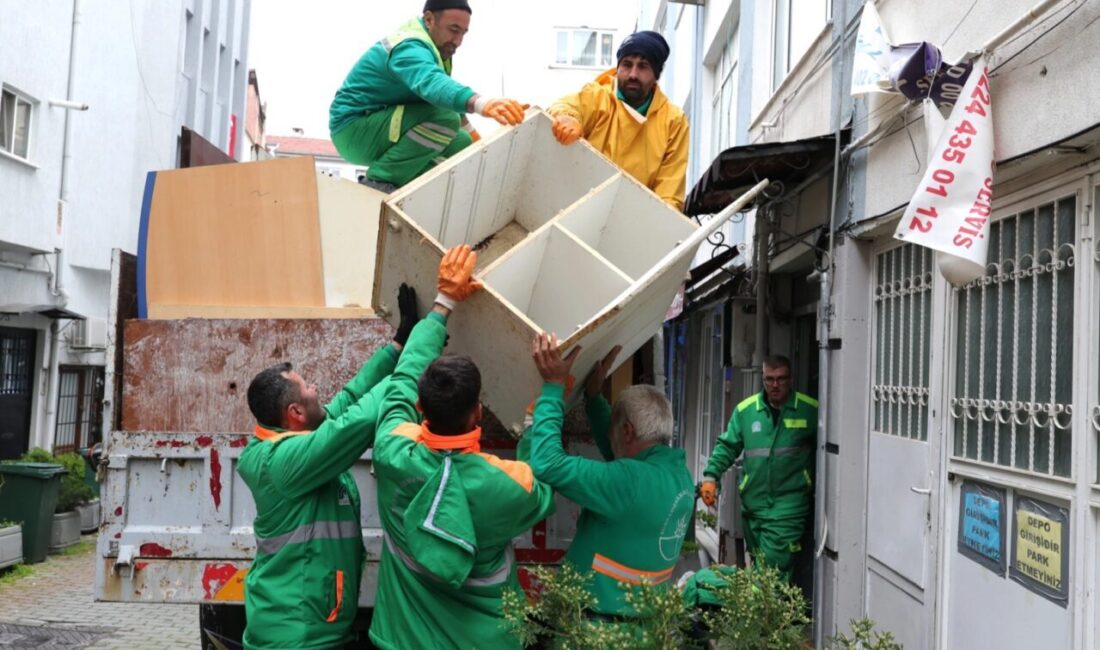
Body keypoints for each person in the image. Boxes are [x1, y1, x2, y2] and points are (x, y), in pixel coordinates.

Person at [369, 245, 557, 650]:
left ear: (421, 408)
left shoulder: (392, 452)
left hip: (403, 640)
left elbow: (401, 382)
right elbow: (542, 482)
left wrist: (443, 303)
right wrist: (540, 413)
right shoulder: (508, 485)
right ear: (478, 413)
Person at [237, 285, 419, 649]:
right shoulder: (285, 461)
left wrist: (399, 344)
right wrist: (419, 354)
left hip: (311, 627)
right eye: (309, 387)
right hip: (299, 638)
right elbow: (357, 422)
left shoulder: (292, 440)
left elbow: (349, 401)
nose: (317, 388)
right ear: (295, 414)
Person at [527, 339, 695, 621]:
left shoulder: (627, 481)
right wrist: (594, 399)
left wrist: (553, 387)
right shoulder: (678, 473)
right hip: (642, 624)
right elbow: (621, 452)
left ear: (627, 431)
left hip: (599, 629)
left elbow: (546, 463)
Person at [329, 0, 526, 193]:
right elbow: (432, 83)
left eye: (463, 33)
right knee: (443, 119)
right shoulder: (409, 46)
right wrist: (482, 103)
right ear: (429, 19)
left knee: (461, 143)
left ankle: (411, 190)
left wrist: (480, 146)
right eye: (453, 29)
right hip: (353, 129)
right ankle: (379, 183)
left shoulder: (437, 52)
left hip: (379, 129)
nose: (458, 41)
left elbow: (448, 104)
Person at [699, 355, 818, 581]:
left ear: (790, 379)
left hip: (787, 509)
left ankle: (763, 615)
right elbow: (727, 445)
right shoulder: (746, 411)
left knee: (773, 572)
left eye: (781, 379)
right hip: (753, 508)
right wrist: (710, 476)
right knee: (760, 567)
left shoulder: (809, 410)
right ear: (762, 379)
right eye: (769, 379)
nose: (775, 385)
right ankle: (770, 614)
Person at [547, 30, 689, 211]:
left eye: (643, 66)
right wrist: (568, 118)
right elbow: (566, 105)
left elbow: (669, 195)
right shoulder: (598, 96)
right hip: (579, 205)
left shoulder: (673, 121)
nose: (633, 74)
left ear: (656, 75)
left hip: (632, 219)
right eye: (627, 64)